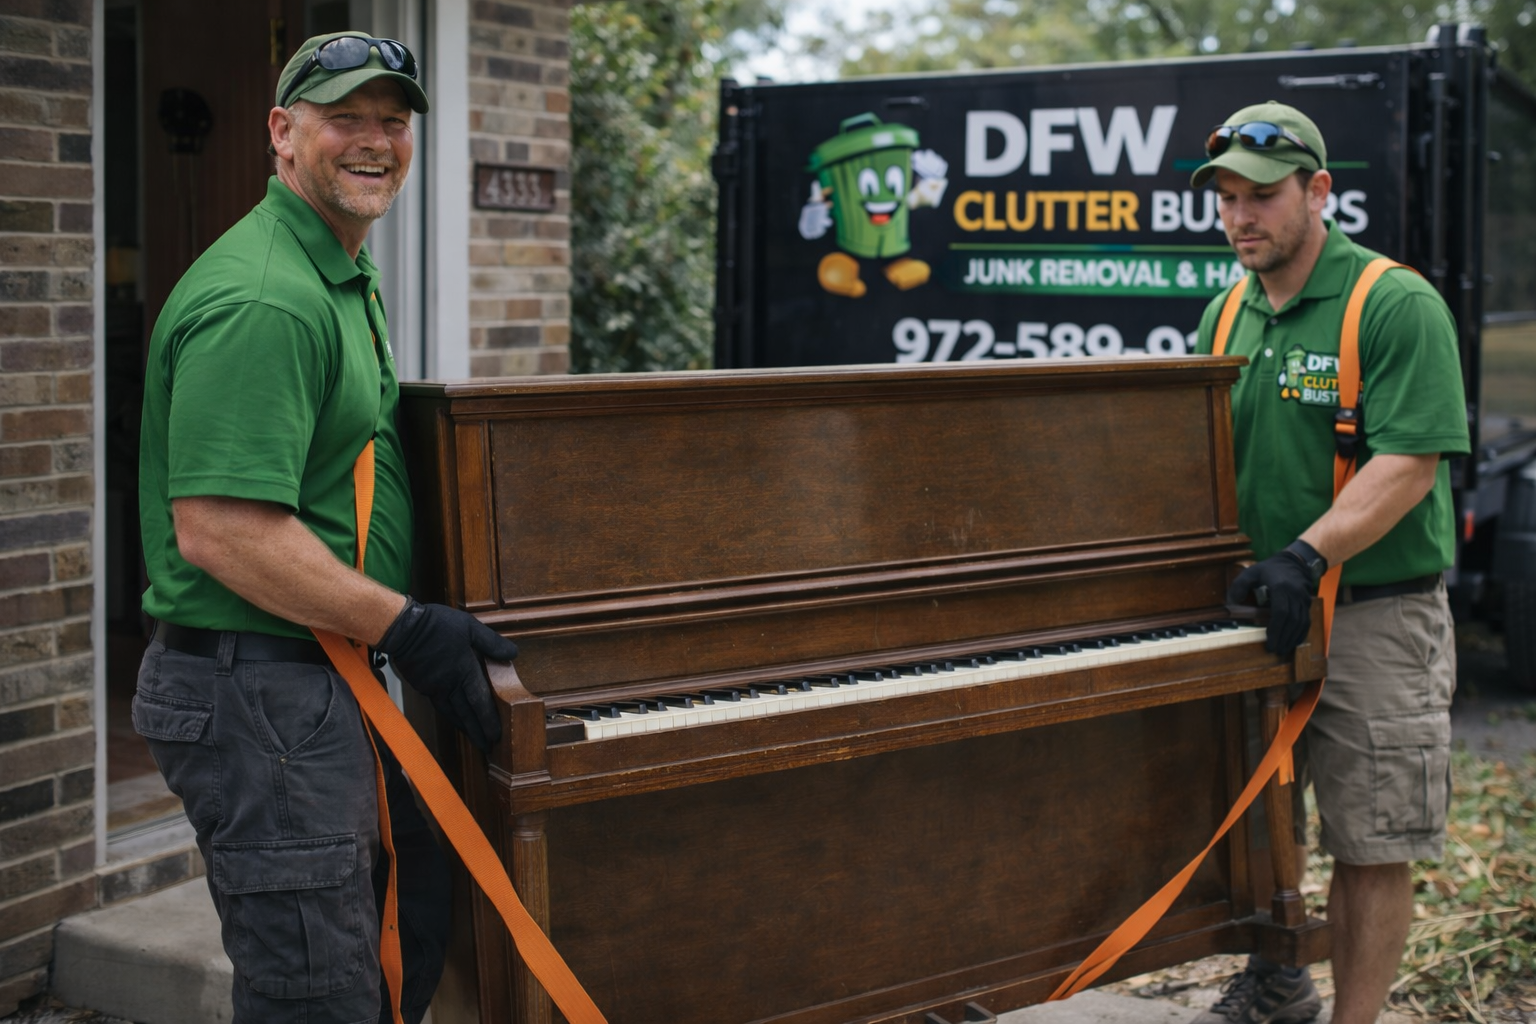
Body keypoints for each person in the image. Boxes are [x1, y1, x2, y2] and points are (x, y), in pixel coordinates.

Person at [134, 32, 518, 1024]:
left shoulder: (337, 270)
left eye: (392, 120)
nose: (375, 139)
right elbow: (221, 531)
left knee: (407, 931)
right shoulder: (266, 298)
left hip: (312, 679)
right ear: (281, 132)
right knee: (324, 994)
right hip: (258, 692)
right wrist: (408, 625)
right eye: (345, 116)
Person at [1189, 102, 1468, 1024]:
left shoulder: (1391, 303)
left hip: (1376, 618)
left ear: (1317, 191)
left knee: (1371, 838)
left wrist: (1307, 556)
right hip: (1261, 614)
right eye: (1227, 198)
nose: (1240, 217)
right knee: (1262, 827)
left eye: (1261, 195)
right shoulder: (1224, 311)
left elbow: (1407, 462)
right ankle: (1278, 985)